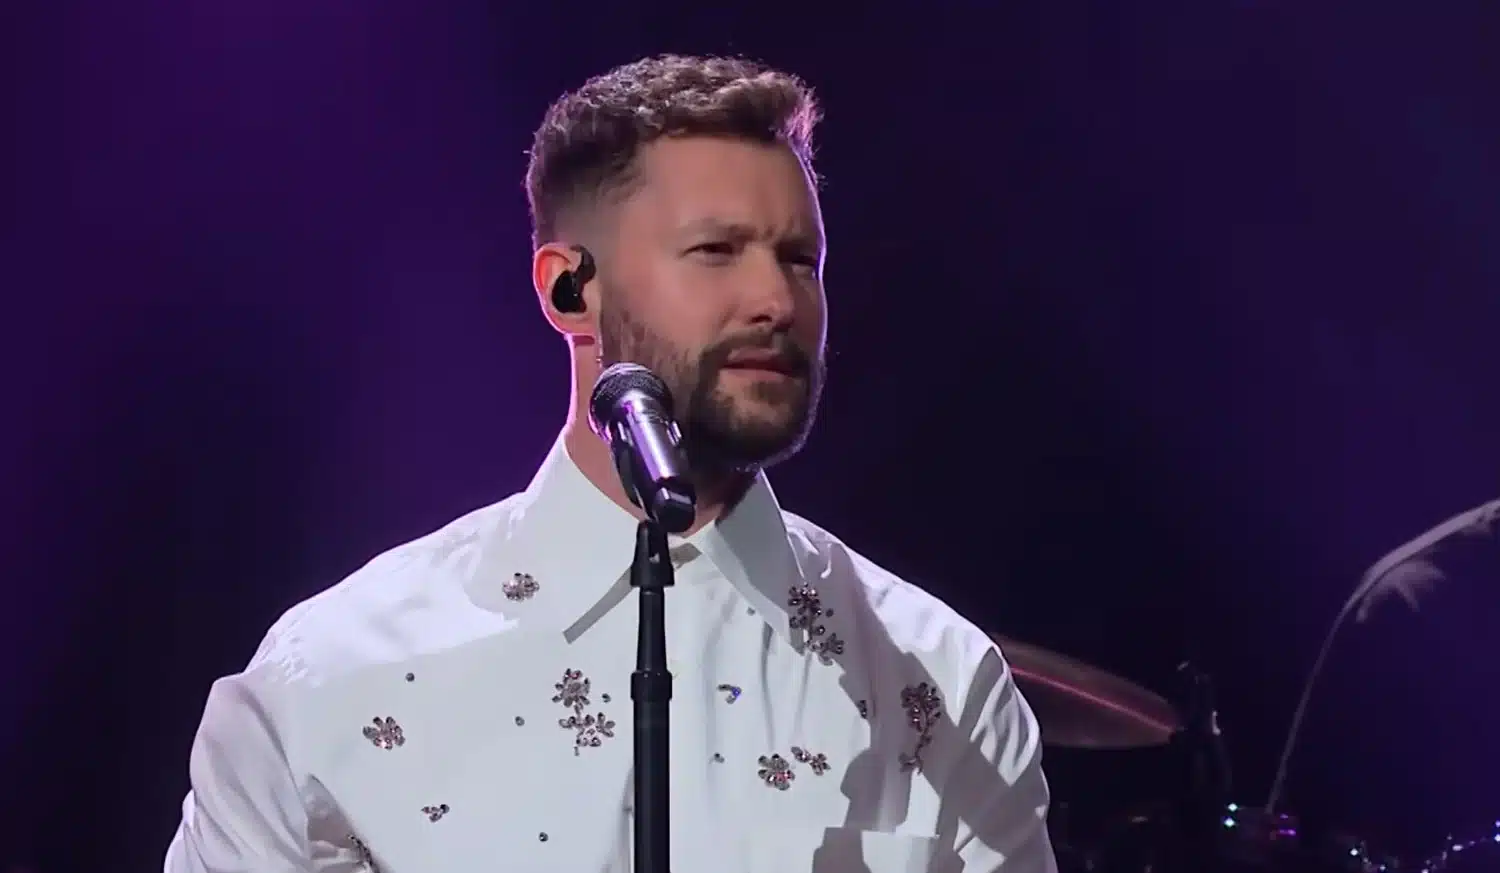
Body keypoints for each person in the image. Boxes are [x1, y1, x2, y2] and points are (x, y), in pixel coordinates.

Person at [163, 54, 1057, 873]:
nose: (775, 299)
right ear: (569, 288)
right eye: (716, 251)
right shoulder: (330, 680)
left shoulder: (937, 684)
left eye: (800, 260)